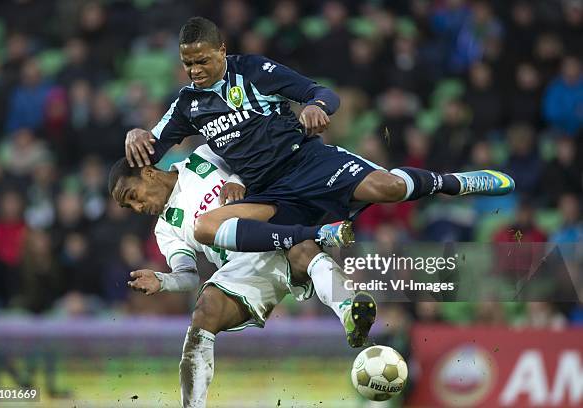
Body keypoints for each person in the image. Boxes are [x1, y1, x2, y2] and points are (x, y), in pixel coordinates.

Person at [125, 16, 515, 254]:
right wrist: (135, 133)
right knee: (206, 227)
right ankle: (321, 238)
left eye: (202, 60)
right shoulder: (187, 104)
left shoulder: (254, 71)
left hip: (306, 161)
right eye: (187, 63)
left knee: (389, 189)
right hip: (264, 190)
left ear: (222, 50)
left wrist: (316, 107)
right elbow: (146, 152)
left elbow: (321, 93)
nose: (194, 70)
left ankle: (455, 182)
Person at [108, 144, 376, 408]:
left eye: (133, 195)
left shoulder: (202, 157)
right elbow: (188, 276)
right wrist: (163, 280)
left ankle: (350, 315)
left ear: (149, 173)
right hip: (242, 267)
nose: (138, 207)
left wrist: (237, 179)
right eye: (129, 206)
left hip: (275, 227)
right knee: (205, 309)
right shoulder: (165, 230)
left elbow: (256, 157)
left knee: (303, 248)